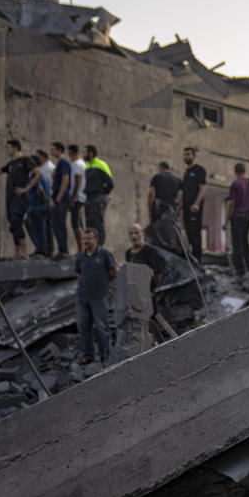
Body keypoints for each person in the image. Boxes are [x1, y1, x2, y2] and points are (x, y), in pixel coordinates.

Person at [0, 140, 41, 259]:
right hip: (10, 197)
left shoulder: (25, 160)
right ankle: (17, 252)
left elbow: (38, 174)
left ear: (16, 148)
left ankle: (23, 252)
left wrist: (26, 189)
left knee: (17, 220)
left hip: (20, 197)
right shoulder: (11, 164)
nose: (7, 150)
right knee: (13, 223)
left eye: (9, 148)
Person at [75, 227, 117, 365]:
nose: (86, 241)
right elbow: (79, 274)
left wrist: (105, 285)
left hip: (99, 296)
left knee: (102, 327)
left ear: (96, 239)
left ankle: (106, 357)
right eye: (84, 238)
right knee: (84, 327)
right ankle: (88, 355)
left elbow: (113, 271)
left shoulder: (104, 254)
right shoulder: (80, 257)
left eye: (89, 238)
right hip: (82, 298)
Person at [222, 163, 249, 281]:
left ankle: (240, 271)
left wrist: (226, 221)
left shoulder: (236, 184)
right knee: (245, 244)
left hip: (237, 216)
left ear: (235, 171)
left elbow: (232, 204)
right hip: (247, 217)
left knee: (237, 244)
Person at [179, 147, 206, 261]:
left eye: (189, 154)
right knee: (189, 234)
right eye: (185, 154)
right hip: (186, 208)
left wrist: (196, 204)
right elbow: (184, 193)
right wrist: (179, 207)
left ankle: (198, 261)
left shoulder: (199, 170)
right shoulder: (186, 173)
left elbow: (202, 188)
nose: (186, 157)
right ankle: (192, 261)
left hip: (194, 209)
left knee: (195, 236)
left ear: (194, 156)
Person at [83, 145, 113, 246]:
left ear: (91, 153)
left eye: (85, 152)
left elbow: (110, 183)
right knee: (89, 224)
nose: (83, 155)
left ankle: (99, 247)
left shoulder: (101, 164)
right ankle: (91, 246)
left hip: (98, 198)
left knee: (98, 223)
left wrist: (102, 192)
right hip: (89, 198)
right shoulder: (87, 166)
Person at [25, 157, 53, 258]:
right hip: (42, 206)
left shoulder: (34, 174)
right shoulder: (45, 175)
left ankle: (41, 251)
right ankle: (44, 250)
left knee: (38, 229)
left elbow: (39, 189)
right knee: (42, 228)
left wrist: (42, 200)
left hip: (37, 206)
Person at [49, 142, 73, 258]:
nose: (51, 152)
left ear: (59, 150)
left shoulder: (63, 162)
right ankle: (61, 250)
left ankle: (63, 251)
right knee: (56, 225)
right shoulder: (59, 163)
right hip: (58, 199)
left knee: (60, 225)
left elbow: (65, 180)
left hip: (61, 200)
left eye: (53, 149)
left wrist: (58, 197)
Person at [125, 223, 165, 291]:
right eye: (131, 233)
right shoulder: (128, 253)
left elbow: (158, 275)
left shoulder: (151, 251)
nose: (134, 236)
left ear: (142, 234)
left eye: (136, 233)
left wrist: (156, 291)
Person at [36, 149, 56, 256]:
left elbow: (50, 184)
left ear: (43, 156)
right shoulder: (42, 168)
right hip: (43, 200)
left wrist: (48, 199)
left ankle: (49, 250)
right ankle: (44, 249)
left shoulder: (49, 168)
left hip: (47, 199)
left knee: (47, 225)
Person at [68, 144, 86, 253]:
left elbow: (77, 182)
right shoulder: (83, 164)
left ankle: (81, 249)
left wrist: (72, 198)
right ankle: (83, 249)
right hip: (81, 197)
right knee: (79, 224)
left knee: (75, 224)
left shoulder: (76, 164)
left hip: (77, 198)